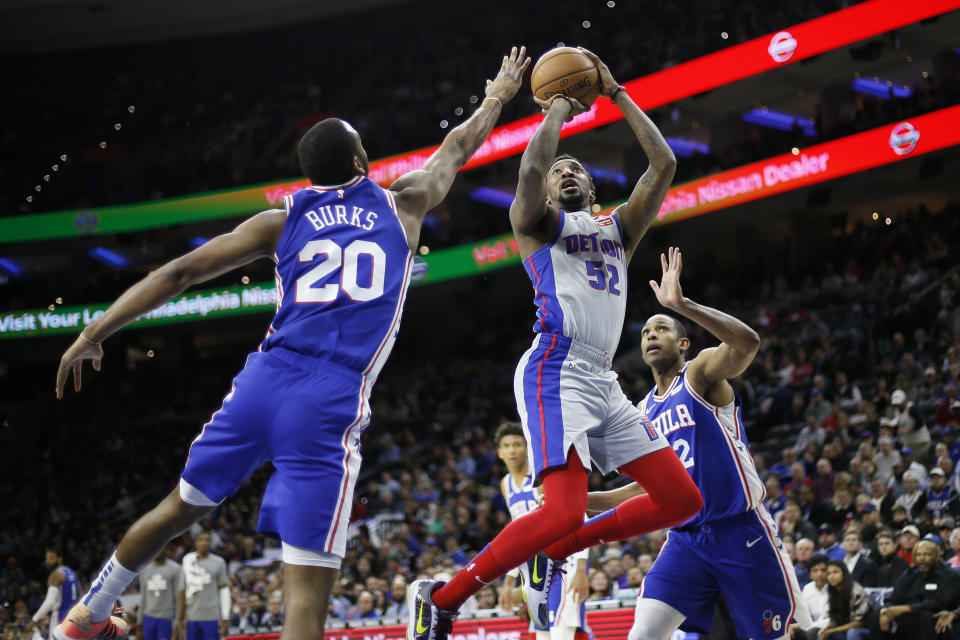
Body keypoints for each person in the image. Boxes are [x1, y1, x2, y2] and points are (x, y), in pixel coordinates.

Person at [50, 46, 531, 640]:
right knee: (305, 593)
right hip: (330, 396)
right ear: (360, 158)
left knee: (178, 507)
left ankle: (89, 613)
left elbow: (177, 274)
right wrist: (498, 97)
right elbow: (458, 145)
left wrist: (93, 332)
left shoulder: (280, 219)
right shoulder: (402, 202)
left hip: (263, 380)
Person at [408, 48, 702, 640]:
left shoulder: (617, 229)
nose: (564, 172)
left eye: (576, 169)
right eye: (559, 168)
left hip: (602, 379)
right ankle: (442, 599)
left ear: (592, 186)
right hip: (555, 368)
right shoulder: (539, 225)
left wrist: (616, 92)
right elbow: (527, 177)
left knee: (681, 500)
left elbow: (664, 163)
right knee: (563, 507)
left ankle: (558, 549)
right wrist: (557, 111)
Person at [578, 248, 811, 640]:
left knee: (786, 636)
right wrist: (585, 499)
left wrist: (681, 304)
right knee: (643, 634)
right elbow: (650, 485)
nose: (651, 335)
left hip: (741, 531)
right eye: (646, 332)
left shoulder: (700, 373)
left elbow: (747, 344)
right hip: (685, 541)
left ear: (684, 343)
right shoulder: (643, 410)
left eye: (662, 328)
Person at [493, 422, 589, 640]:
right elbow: (519, 535)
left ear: (527, 447)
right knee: (542, 634)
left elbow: (578, 512)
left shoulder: (541, 474)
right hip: (538, 566)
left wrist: (582, 567)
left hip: (567, 560)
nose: (512, 450)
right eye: (506, 446)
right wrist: (510, 582)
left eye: (517, 445)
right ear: (499, 452)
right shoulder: (506, 484)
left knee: (561, 633)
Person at [176, 532, 230, 640]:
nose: (204, 543)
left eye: (207, 540)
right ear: (195, 543)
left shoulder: (219, 562)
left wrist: (225, 617)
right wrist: (180, 618)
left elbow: (224, 590)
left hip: (212, 616)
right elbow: (182, 589)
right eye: (201, 540)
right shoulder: (187, 560)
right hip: (192, 616)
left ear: (211, 543)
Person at [24, 549, 79, 639]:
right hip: (74, 616)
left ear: (59, 559)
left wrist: (34, 620)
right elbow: (79, 595)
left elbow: (49, 602)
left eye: (51, 558)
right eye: (47, 558)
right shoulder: (72, 573)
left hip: (60, 615)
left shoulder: (55, 574)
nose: (48, 561)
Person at [819, 561, 871, 640]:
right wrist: (825, 629)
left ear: (844, 573)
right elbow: (834, 620)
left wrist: (832, 631)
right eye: (829, 573)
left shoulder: (856, 590)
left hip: (864, 629)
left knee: (852, 633)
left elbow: (859, 623)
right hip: (845, 630)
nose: (832, 576)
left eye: (835, 572)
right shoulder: (832, 592)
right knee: (822, 635)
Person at [136, 549, 182, 640]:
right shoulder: (144, 570)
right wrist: (139, 623)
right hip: (148, 617)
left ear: (166, 549)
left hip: (166, 618)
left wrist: (177, 622)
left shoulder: (176, 569)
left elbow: (178, 598)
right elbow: (143, 598)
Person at [792, 555, 831, 640]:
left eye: (823, 570)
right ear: (810, 575)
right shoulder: (807, 588)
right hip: (811, 626)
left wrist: (804, 625)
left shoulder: (833, 589)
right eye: (815, 570)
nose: (820, 574)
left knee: (812, 632)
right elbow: (804, 614)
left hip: (829, 627)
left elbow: (829, 620)